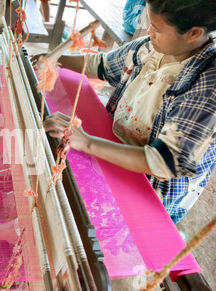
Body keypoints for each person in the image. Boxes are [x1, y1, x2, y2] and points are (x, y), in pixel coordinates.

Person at [40, 0, 215, 224]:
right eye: (149, 23)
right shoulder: (148, 48)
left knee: (118, 231)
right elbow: (101, 65)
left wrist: (86, 142)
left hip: (151, 184)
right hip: (117, 145)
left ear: (194, 33)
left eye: (157, 29)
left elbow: (164, 162)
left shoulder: (207, 86)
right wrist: (53, 60)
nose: (148, 31)